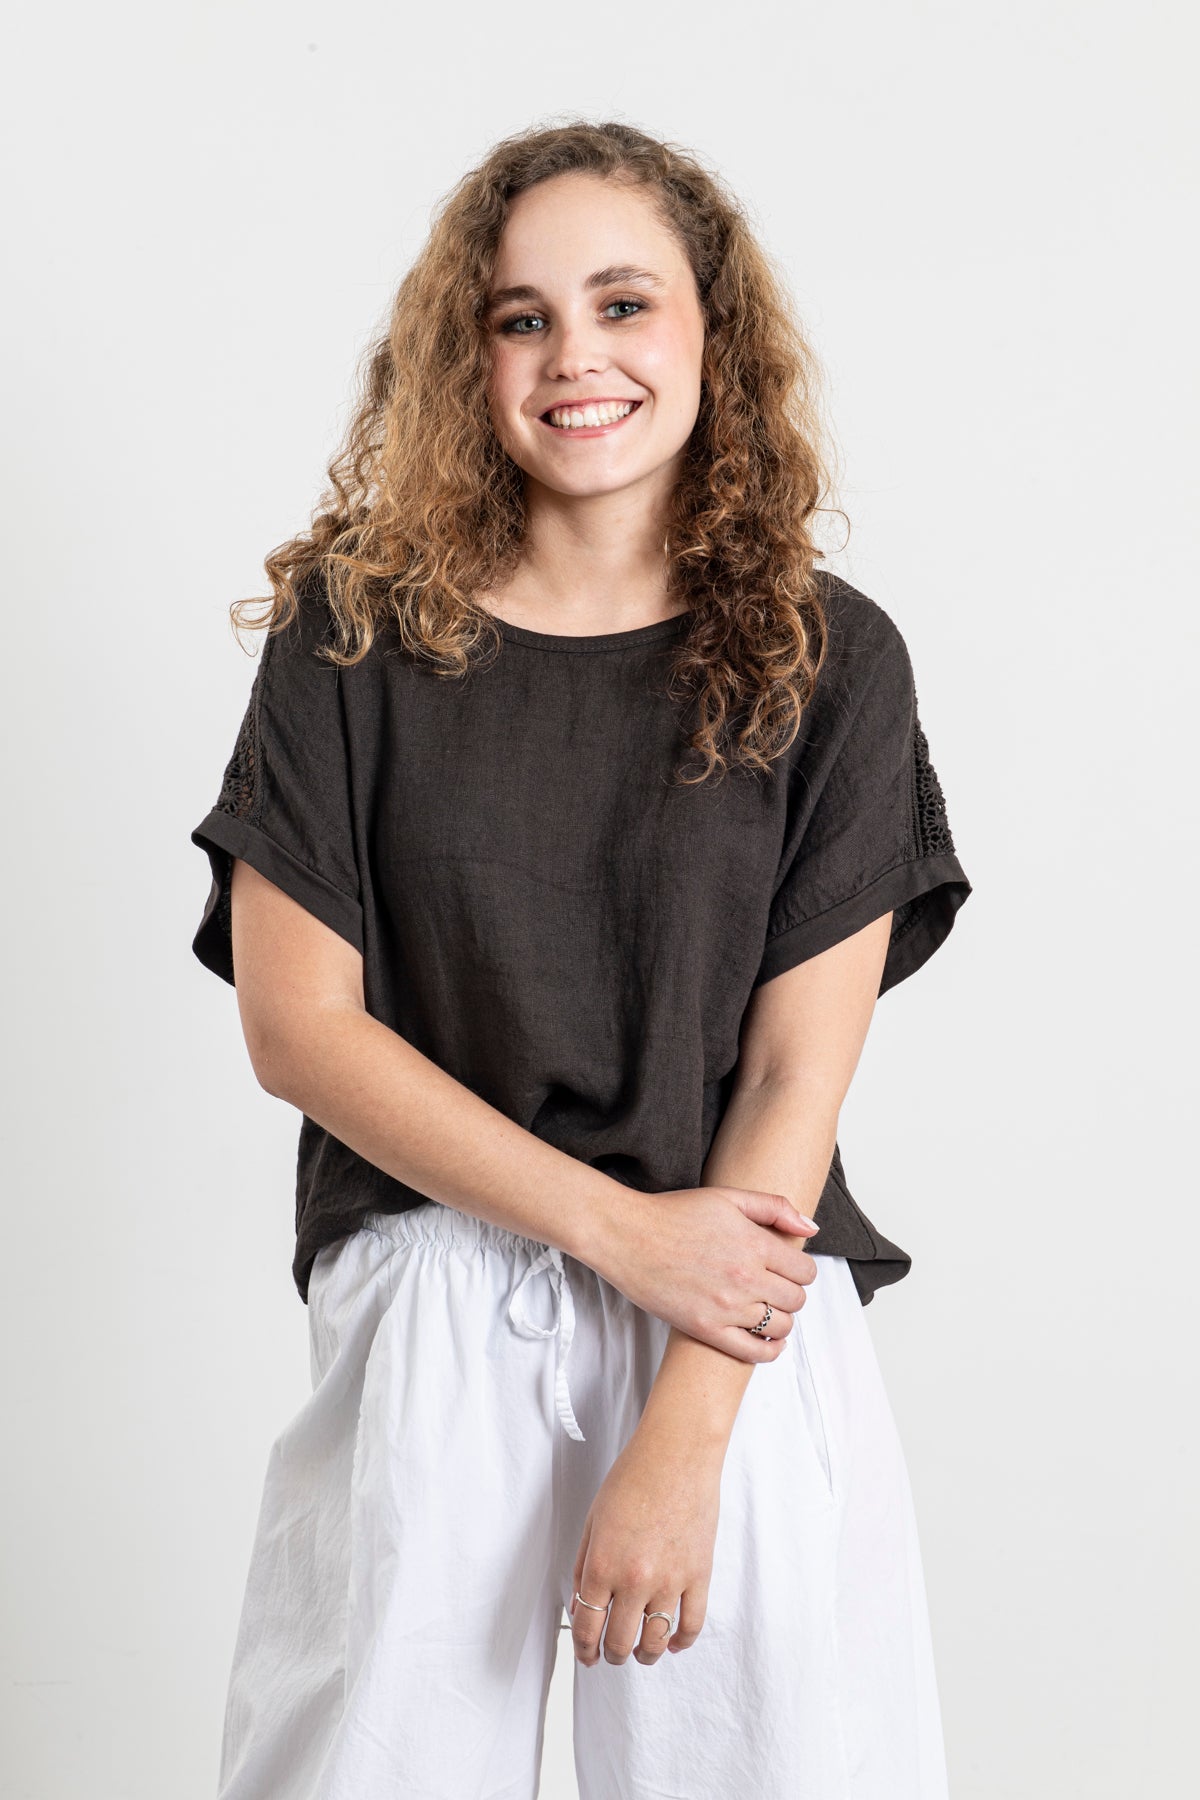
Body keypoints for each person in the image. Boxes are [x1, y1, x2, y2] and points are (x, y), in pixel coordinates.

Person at [190, 119, 973, 1800]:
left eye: (624, 304)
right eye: (521, 318)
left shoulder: (835, 659)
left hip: (738, 1310)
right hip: (439, 1280)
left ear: (711, 334)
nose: (575, 358)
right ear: (463, 356)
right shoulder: (351, 636)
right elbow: (298, 1026)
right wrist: (622, 1234)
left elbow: (795, 1074)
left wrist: (687, 1433)